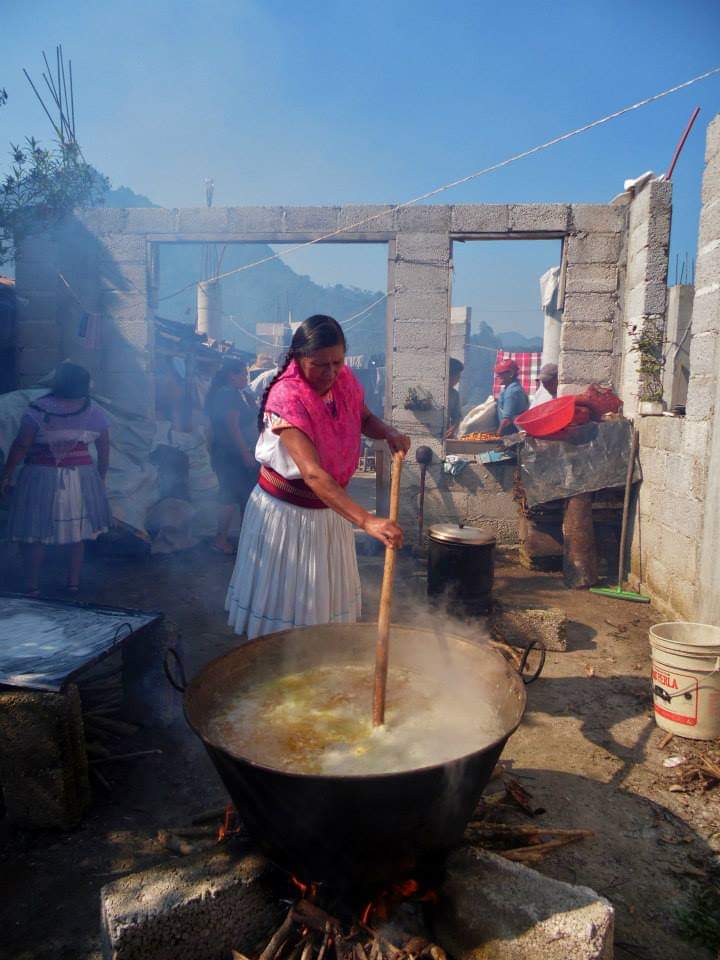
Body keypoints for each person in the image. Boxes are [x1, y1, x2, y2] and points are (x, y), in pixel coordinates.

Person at [226, 314, 410, 640]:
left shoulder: (344, 380)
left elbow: (363, 416)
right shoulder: (286, 397)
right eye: (320, 365)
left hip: (330, 507)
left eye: (337, 362)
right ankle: (276, 654)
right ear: (298, 358)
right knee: (288, 599)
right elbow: (311, 472)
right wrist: (368, 522)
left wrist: (388, 432)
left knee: (323, 596)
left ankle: (320, 648)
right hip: (287, 516)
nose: (331, 372)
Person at [0, 362, 111, 595]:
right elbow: (104, 448)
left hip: (40, 476)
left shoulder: (39, 410)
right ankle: (73, 583)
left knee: (34, 534)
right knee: (78, 534)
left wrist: (7, 474)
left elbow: (21, 445)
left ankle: (32, 586)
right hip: (82, 479)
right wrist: (101, 477)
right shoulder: (94, 411)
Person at [205, 359, 259, 555]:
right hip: (231, 455)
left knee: (241, 494)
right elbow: (233, 427)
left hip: (233, 453)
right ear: (232, 376)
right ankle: (220, 539)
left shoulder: (237, 394)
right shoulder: (228, 395)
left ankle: (245, 538)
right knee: (229, 494)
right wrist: (245, 452)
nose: (246, 378)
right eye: (243, 374)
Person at [495, 358, 529, 435]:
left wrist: (496, 436)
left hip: (512, 433)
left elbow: (507, 420)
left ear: (511, 373)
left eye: (500, 373)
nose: (497, 376)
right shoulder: (511, 388)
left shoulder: (512, 392)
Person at [445, 358, 464, 438]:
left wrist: (453, 428)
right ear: (449, 375)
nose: (458, 381)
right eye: (457, 377)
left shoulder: (454, 394)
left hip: (445, 434)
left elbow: (457, 416)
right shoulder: (436, 391)